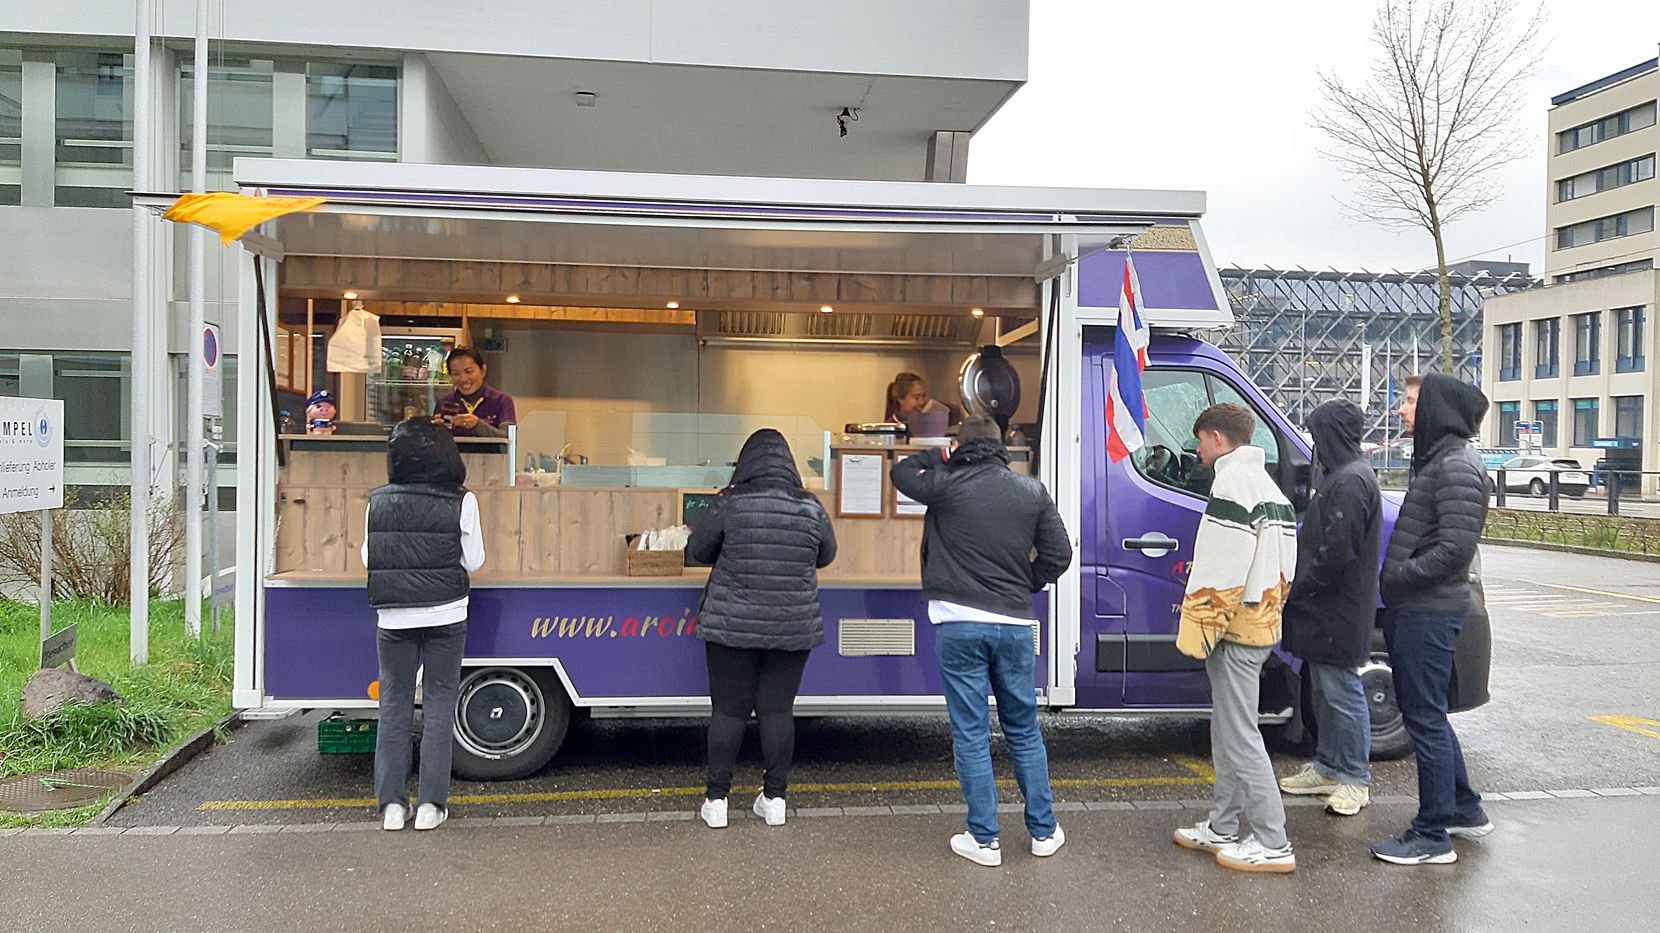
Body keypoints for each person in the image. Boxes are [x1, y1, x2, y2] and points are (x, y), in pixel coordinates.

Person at [889, 415, 1072, 867]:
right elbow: (1060, 555)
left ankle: (984, 838)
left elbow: (901, 472)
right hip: (1012, 624)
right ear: (1002, 448)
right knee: (1023, 728)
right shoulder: (1032, 491)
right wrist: (1025, 583)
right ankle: (1044, 832)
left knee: (971, 731)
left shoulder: (947, 482)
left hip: (958, 622)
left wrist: (942, 454)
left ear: (961, 447)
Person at [687, 429, 837, 829]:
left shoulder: (728, 503)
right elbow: (827, 556)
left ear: (745, 463)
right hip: (792, 625)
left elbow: (698, 552)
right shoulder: (810, 507)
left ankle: (716, 802)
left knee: (729, 711)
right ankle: (774, 800)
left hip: (731, 626)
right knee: (777, 710)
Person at [1370, 373, 1493, 865]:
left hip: (1428, 609)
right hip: (1420, 607)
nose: (1401, 409)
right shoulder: (1442, 461)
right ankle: (1464, 809)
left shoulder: (1457, 466)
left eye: (1411, 400)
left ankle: (1432, 834)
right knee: (1429, 716)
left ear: (1438, 408)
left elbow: (1454, 550)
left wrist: (1399, 574)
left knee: (1424, 720)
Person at [1172, 402, 1299, 874]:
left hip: (1232, 629)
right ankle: (1222, 826)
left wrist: (1199, 628)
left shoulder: (1231, 484)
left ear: (1218, 438)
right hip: (1261, 624)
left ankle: (1272, 839)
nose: (1198, 448)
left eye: (1201, 439)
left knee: (1240, 735)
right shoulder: (1268, 487)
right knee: (1228, 730)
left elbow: (1220, 568)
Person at [360, 418, 486, 832]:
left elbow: (367, 558)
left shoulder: (376, 501)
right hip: (447, 615)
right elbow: (476, 561)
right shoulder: (462, 502)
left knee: (394, 705)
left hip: (393, 616)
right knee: (439, 705)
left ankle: (392, 808)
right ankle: (432, 806)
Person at [1277, 399, 1382, 817]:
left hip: (1338, 608)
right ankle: (1327, 767)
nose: (1315, 444)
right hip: (1325, 609)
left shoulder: (1352, 482)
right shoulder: (1342, 476)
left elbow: (1338, 550)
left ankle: (1355, 777)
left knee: (1342, 692)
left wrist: (1300, 586)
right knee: (1323, 690)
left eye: (1319, 434)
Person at [435, 347, 516, 438]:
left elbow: (508, 439)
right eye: (456, 374)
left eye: (469, 372)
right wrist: (435, 429)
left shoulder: (502, 401)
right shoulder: (445, 402)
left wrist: (477, 425)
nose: (463, 379)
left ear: (483, 370)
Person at [885, 371, 960, 439]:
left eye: (924, 396)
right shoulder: (890, 429)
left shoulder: (929, 423)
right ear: (900, 399)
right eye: (916, 397)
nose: (922, 402)